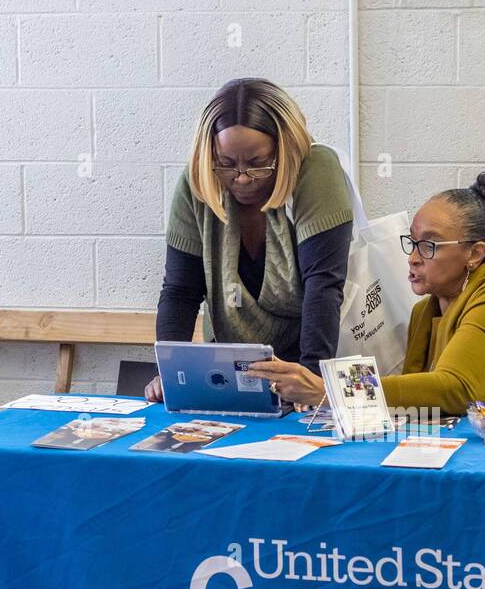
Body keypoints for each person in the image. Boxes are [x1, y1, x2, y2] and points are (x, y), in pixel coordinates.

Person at [249, 172, 485, 414]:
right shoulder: (426, 309)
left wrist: (329, 388)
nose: (413, 256)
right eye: (412, 241)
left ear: (475, 254)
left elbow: (456, 390)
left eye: (429, 245)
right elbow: (418, 398)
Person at [145, 78, 354, 402]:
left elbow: (323, 286)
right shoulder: (198, 181)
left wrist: (310, 382)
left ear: (284, 149)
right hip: (231, 371)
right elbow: (180, 292)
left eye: (258, 164)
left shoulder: (315, 170)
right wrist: (171, 373)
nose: (241, 178)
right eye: (226, 164)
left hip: (308, 362)